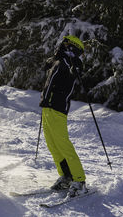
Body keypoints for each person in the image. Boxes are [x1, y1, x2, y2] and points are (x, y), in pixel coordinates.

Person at [39, 35, 88, 198]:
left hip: (58, 108)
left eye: (65, 44)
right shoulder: (60, 60)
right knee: (53, 144)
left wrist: (65, 57)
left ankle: (79, 180)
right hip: (47, 107)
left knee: (63, 144)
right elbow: (47, 66)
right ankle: (67, 176)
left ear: (71, 47)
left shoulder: (71, 63)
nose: (61, 45)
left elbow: (74, 69)